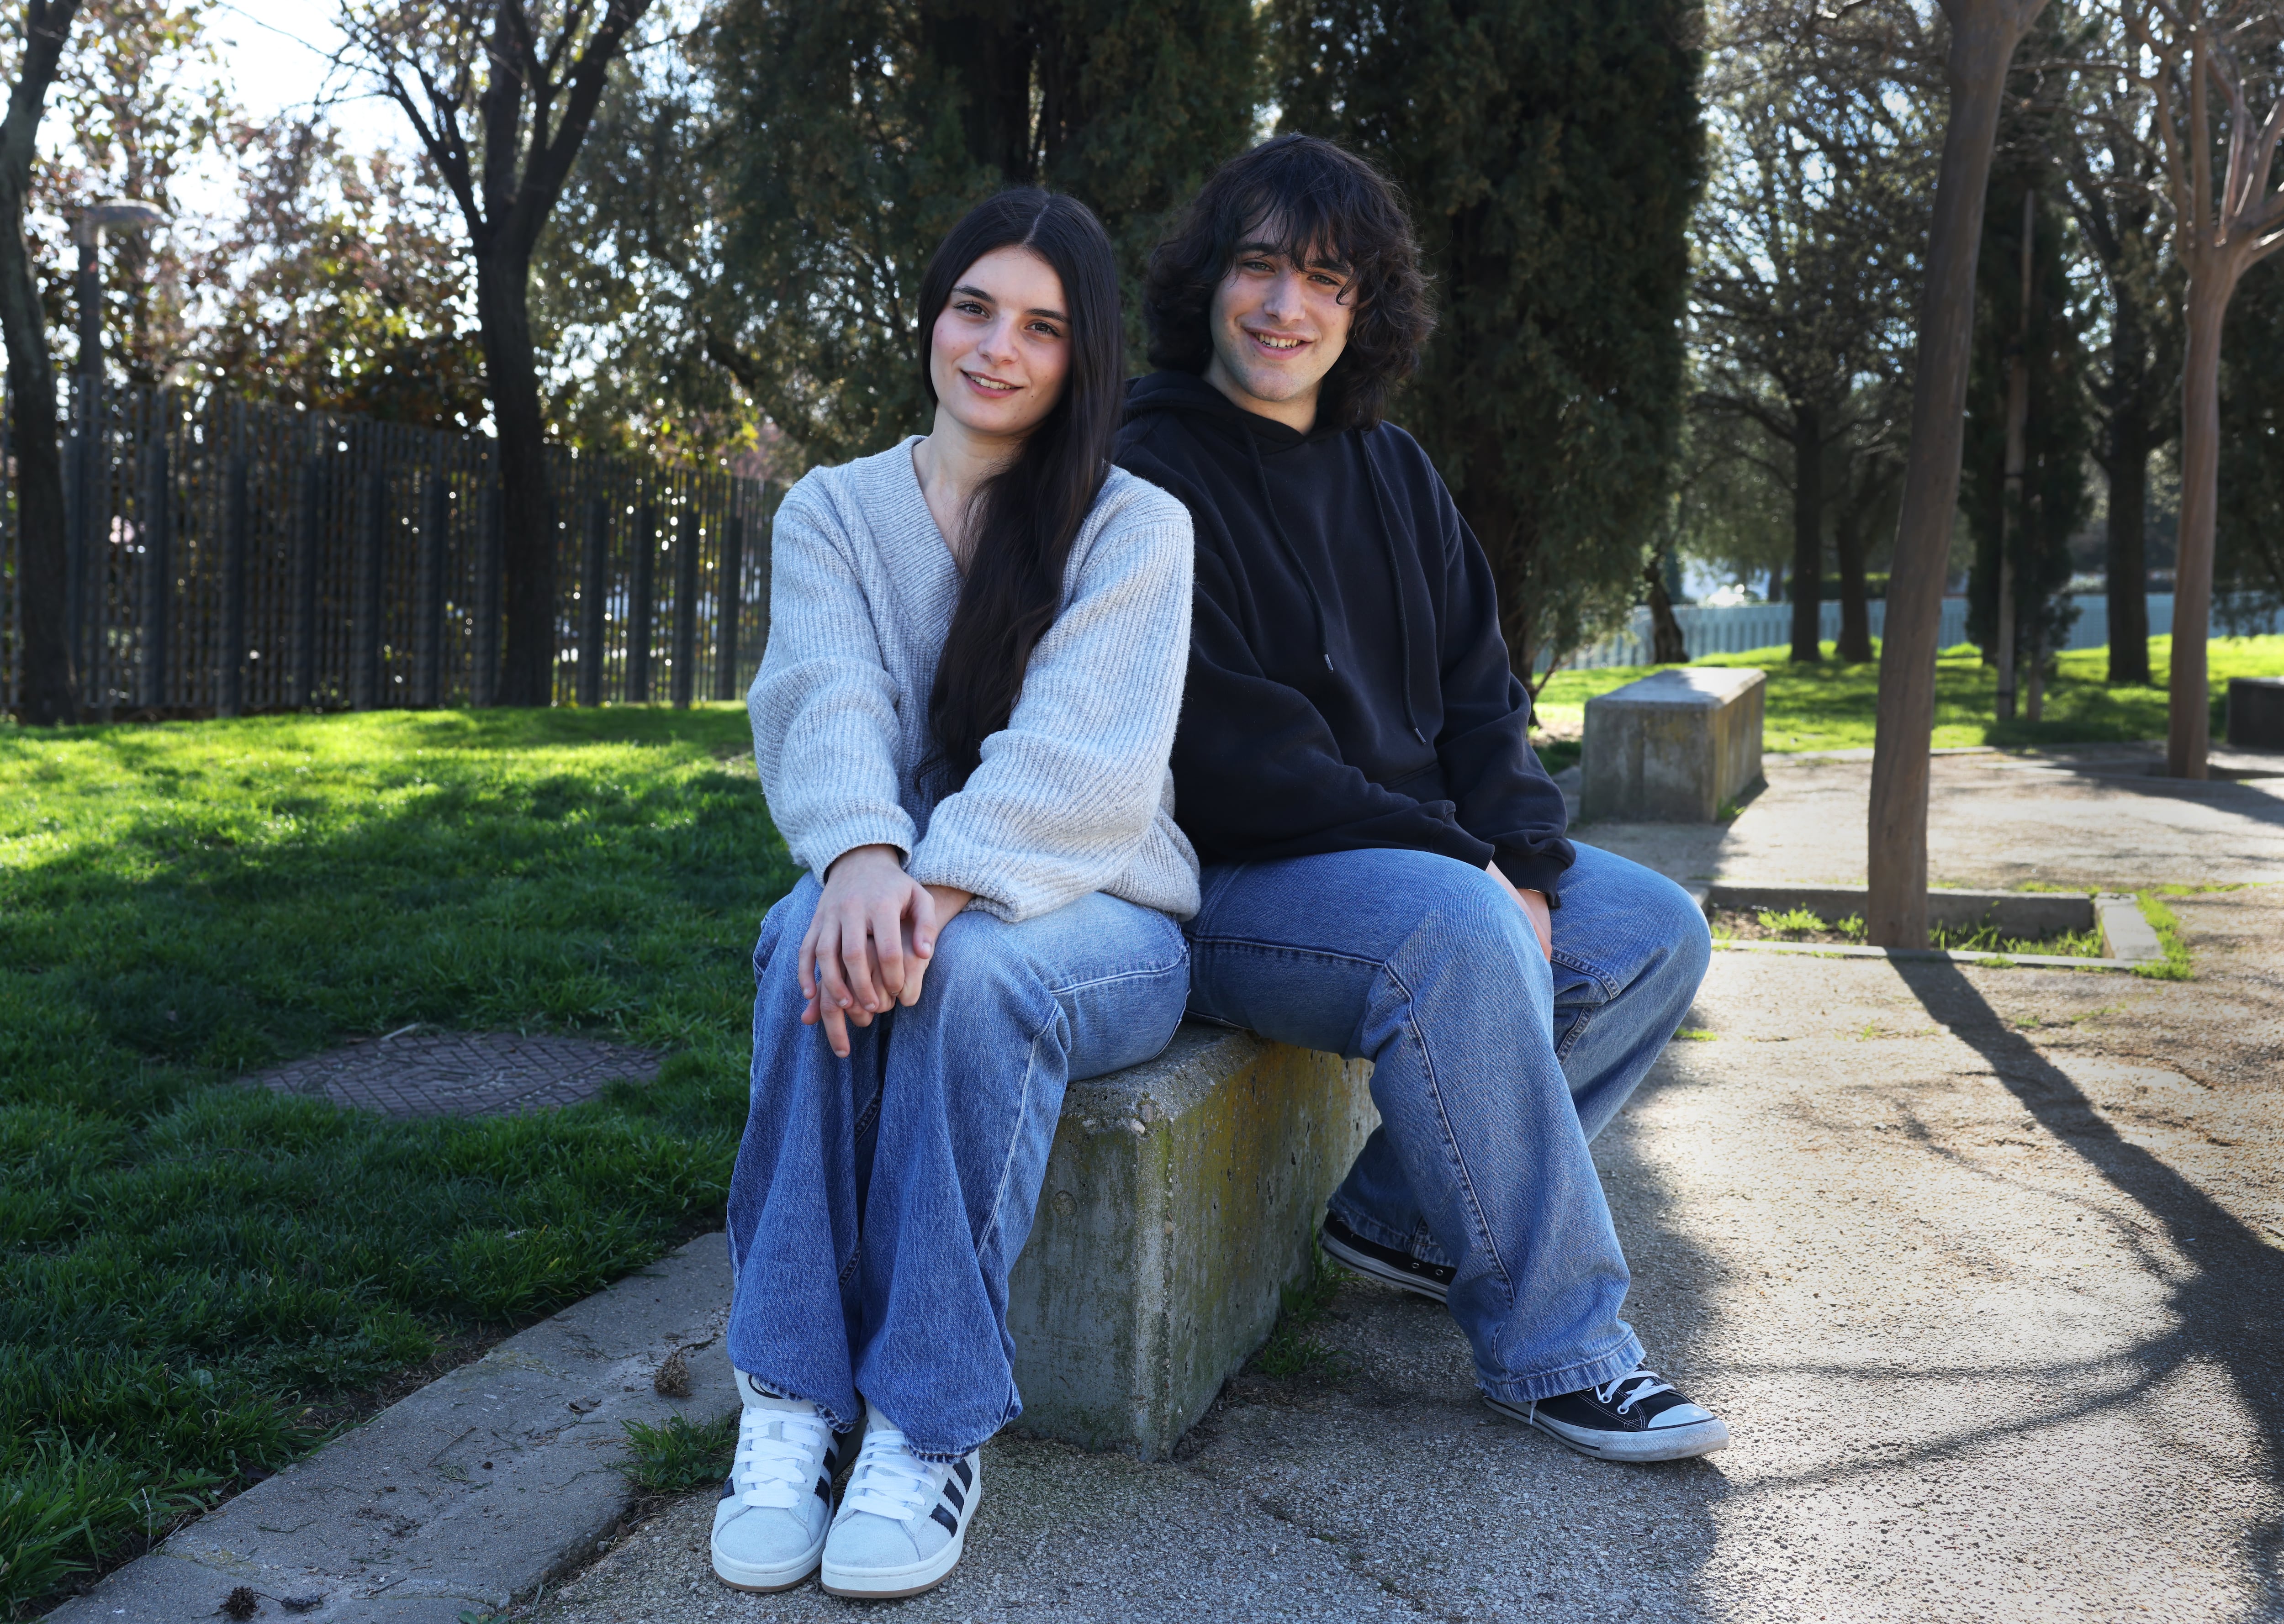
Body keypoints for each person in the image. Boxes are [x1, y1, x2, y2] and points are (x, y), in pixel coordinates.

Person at [1114, 135, 1726, 1464]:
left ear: (1364, 308)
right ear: (1208, 281)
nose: (1286, 306)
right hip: (1225, 882)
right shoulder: (1144, 472)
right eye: (1259, 267)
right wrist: (1467, 867)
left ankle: (1395, 1218)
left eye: (1326, 279)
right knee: (1461, 925)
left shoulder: (1392, 471)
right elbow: (1231, 752)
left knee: (1655, 929)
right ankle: (1563, 1350)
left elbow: (1482, 696)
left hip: (1411, 861)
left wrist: (1525, 855)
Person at [719, 189, 1197, 1600]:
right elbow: (824, 695)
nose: (998, 348)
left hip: (1100, 911)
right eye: (975, 308)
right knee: (805, 935)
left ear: (1082, 354)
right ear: (931, 315)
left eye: (1042, 327)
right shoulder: (833, 509)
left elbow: (1084, 760)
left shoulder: (1135, 526)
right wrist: (861, 859)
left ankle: (927, 1426)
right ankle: (790, 1400)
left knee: (971, 971)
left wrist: (934, 884)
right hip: (905, 879)